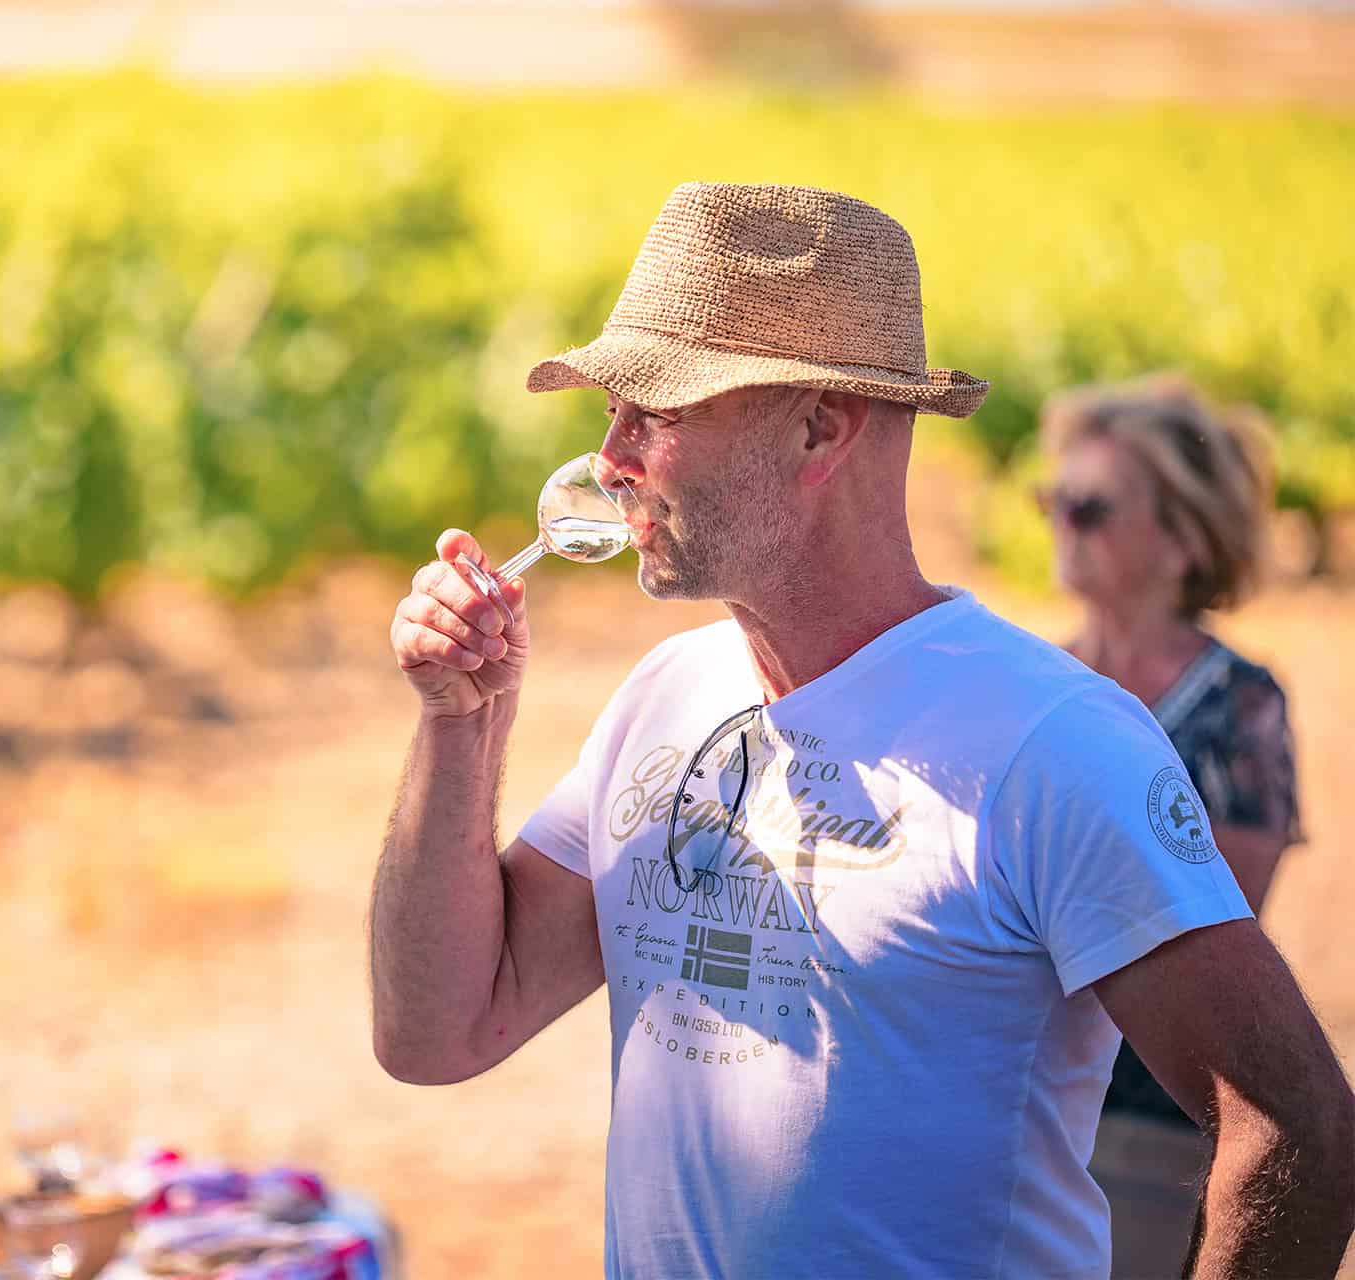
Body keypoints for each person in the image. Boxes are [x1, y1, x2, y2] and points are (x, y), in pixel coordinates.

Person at [368, 182, 1354, 1278]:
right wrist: (459, 724)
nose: (611, 458)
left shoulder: (1057, 743)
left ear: (820, 425)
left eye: (658, 410)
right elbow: (437, 1031)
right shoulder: (667, 692)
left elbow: (1296, 1127)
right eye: (612, 411)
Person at [1039, 374, 1307, 1278]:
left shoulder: (1239, 706)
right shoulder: (1034, 681)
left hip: (1148, 1132)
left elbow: (1210, 929)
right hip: (1025, 1109)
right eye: (1054, 500)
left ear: (1182, 541)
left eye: (1090, 507)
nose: (1059, 525)